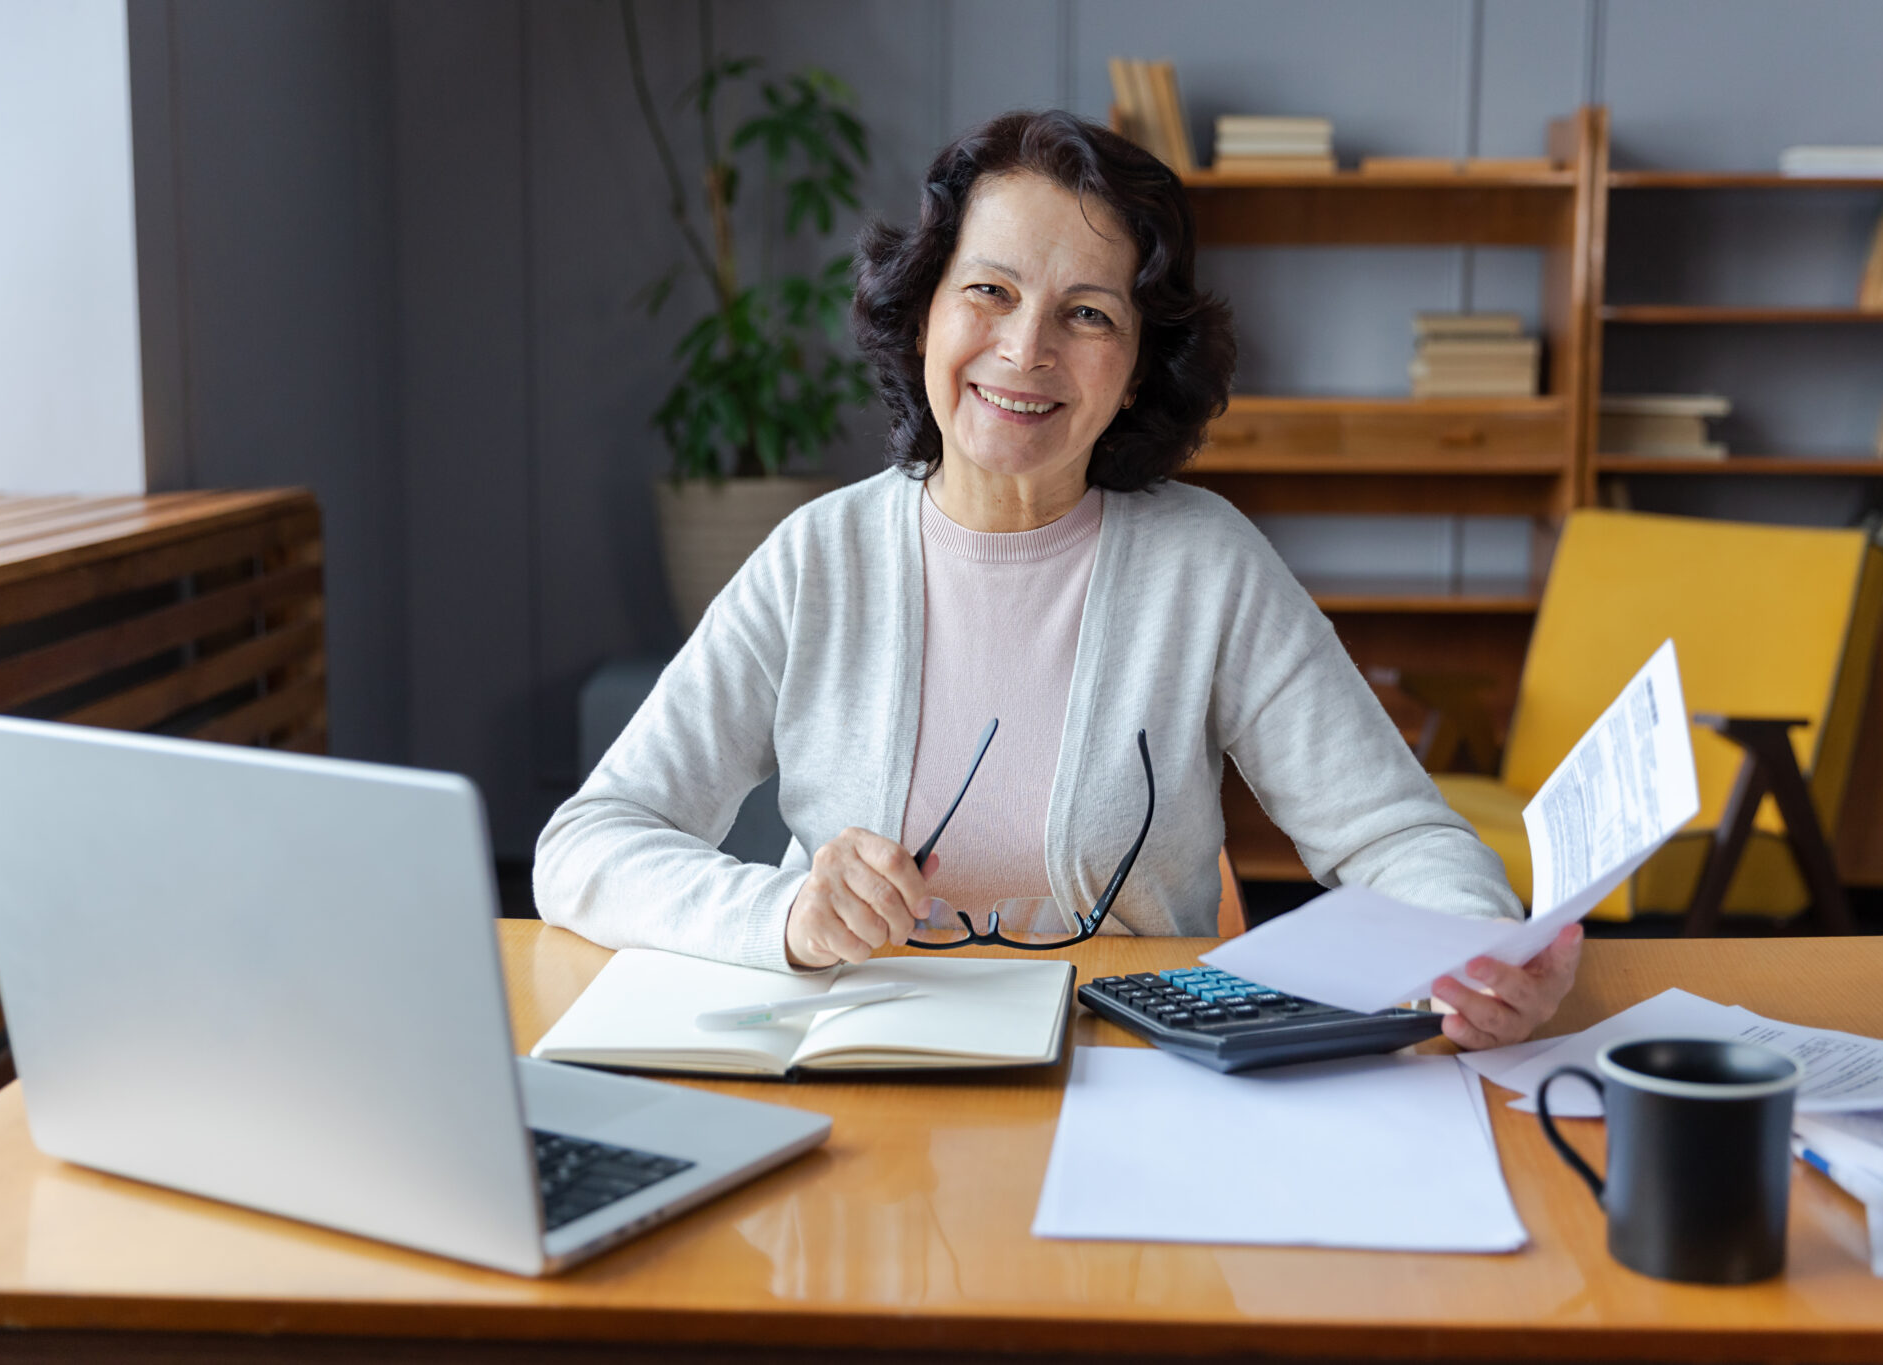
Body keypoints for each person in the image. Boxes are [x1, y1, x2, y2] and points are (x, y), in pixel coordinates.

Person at [534, 110, 1580, 1049]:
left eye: (1086, 315)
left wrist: (1482, 953)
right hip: (858, 1079)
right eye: (986, 291)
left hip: (1128, 1082)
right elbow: (588, 846)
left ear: (1133, 373)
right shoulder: (818, 559)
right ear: (922, 315)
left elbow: (1396, 835)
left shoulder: (1204, 564)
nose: (1024, 348)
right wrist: (785, 917)